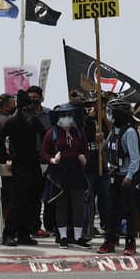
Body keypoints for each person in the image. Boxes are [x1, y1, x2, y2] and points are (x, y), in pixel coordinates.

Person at [97, 101, 140, 256]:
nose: (109, 116)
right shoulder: (114, 131)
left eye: (111, 112)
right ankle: (110, 239)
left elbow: (135, 158)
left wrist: (129, 176)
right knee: (112, 209)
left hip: (125, 177)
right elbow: (109, 150)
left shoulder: (129, 132)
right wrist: (101, 141)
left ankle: (130, 242)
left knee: (128, 210)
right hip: (113, 175)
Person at [41, 102, 89, 247]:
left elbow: (85, 150)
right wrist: (52, 159)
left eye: (69, 115)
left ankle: (78, 237)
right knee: (61, 205)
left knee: (78, 205)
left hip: (76, 171)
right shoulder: (52, 133)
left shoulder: (79, 132)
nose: (67, 118)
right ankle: (62, 237)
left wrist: (84, 157)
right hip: (59, 173)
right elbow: (43, 152)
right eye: (64, 115)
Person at [3, 88, 45, 246]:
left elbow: (45, 134)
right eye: (27, 106)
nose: (30, 108)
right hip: (19, 164)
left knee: (32, 201)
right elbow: (1, 138)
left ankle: (24, 234)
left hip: (33, 163)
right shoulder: (12, 121)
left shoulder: (34, 120)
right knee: (17, 202)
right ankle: (9, 234)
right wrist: (7, 157)